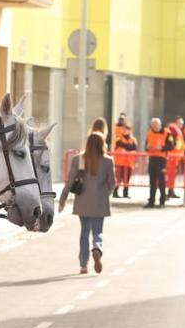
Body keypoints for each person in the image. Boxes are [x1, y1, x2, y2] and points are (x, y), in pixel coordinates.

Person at [59, 133, 115, 274]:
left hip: (82, 201)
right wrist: (105, 194)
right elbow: (112, 183)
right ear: (102, 143)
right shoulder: (108, 161)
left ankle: (84, 265)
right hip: (100, 202)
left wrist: (62, 199)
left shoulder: (79, 159)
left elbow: (70, 181)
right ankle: (97, 248)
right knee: (97, 231)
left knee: (84, 232)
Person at [144, 118, 173, 208]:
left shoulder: (167, 133)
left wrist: (161, 148)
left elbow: (171, 146)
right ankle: (151, 202)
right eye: (152, 125)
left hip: (162, 159)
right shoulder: (149, 132)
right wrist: (147, 147)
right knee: (152, 181)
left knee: (161, 181)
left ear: (160, 125)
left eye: (156, 125)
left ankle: (162, 202)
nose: (154, 127)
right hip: (152, 158)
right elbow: (145, 146)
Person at [112, 114, 137, 198]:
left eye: (128, 129)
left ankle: (125, 193)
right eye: (125, 129)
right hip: (120, 162)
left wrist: (126, 146)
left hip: (129, 162)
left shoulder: (133, 139)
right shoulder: (119, 137)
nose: (127, 130)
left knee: (127, 179)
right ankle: (115, 192)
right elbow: (120, 144)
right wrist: (127, 147)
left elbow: (133, 147)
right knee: (118, 178)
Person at [165, 117, 185, 198]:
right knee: (169, 176)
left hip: (175, 157)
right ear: (176, 122)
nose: (181, 125)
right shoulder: (173, 129)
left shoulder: (175, 130)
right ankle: (168, 192)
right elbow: (174, 143)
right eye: (180, 123)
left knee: (172, 176)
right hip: (172, 157)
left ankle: (171, 191)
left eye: (182, 124)